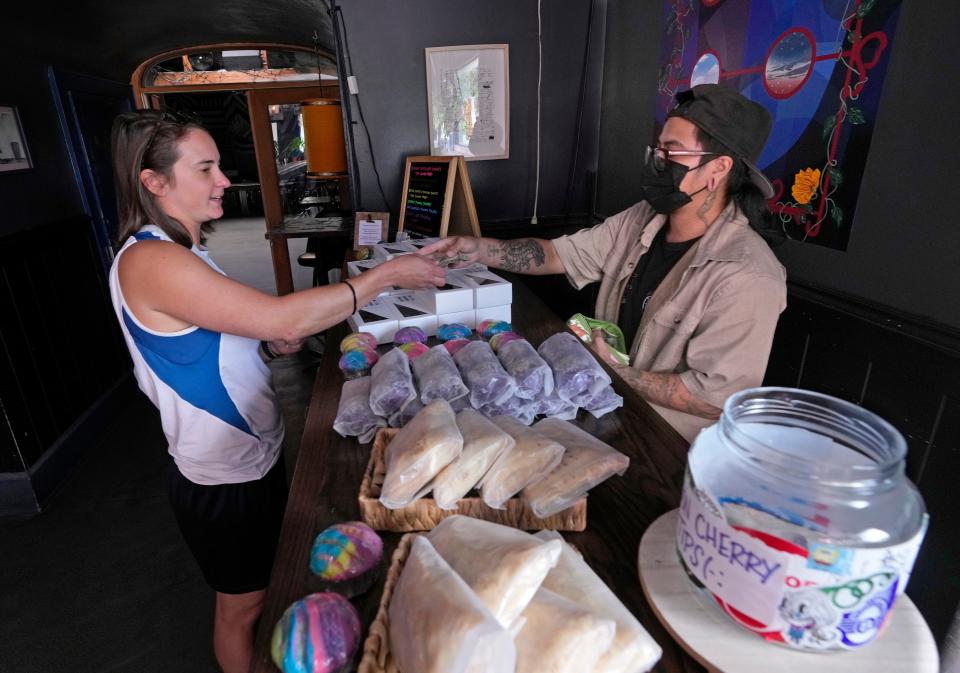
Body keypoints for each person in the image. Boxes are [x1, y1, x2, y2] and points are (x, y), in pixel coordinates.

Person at [108, 110, 445, 673]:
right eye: (206, 169)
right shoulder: (150, 259)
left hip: (249, 458)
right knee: (244, 608)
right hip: (221, 474)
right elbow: (281, 319)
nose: (223, 181)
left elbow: (203, 342)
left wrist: (263, 351)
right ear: (154, 182)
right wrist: (383, 277)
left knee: (265, 585)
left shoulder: (182, 250)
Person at [424, 85, 786, 441]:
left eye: (672, 153)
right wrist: (476, 249)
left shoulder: (748, 275)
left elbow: (710, 399)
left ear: (718, 169)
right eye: (657, 149)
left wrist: (615, 371)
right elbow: (554, 255)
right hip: (606, 409)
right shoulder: (644, 219)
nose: (658, 161)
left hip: (669, 448)